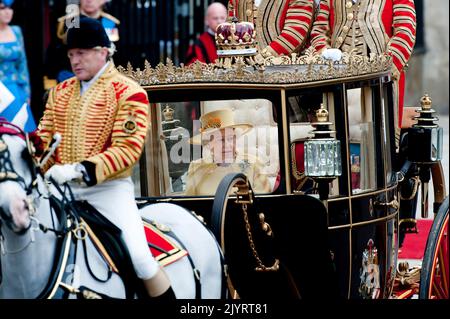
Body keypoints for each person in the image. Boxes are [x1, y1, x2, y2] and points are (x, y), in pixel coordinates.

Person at [38, 17, 174, 300]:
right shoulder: (59, 93)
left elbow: (127, 151)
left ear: (103, 51)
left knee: (141, 259)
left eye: (82, 53)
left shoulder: (129, 92)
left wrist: (78, 170)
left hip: (107, 191)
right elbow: (43, 140)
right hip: (60, 191)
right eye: (72, 54)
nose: (75, 61)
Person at [310, 0, 417, 146]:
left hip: (380, 83)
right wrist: (325, 52)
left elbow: (406, 31)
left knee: (378, 144)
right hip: (337, 81)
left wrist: (384, 69)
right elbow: (319, 31)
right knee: (337, 141)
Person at [185, 109, 271, 196]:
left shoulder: (254, 164)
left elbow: (263, 203)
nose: (227, 145)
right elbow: (188, 205)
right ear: (209, 144)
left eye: (230, 138)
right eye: (220, 140)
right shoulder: (195, 167)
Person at [44, 0, 120, 87]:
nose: (89, 1)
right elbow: (55, 54)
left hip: (105, 80)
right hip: (71, 77)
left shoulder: (110, 23)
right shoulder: (71, 21)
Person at [228, 0, 315, 57]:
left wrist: (262, 57)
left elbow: (295, 32)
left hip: (284, 70)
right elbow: (230, 29)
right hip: (242, 70)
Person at [0, 0, 36, 132]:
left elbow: (22, 64)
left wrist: (27, 93)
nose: (7, 12)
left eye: (10, 8)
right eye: (2, 8)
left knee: (23, 131)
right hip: (1, 91)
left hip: (16, 88)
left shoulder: (16, 31)